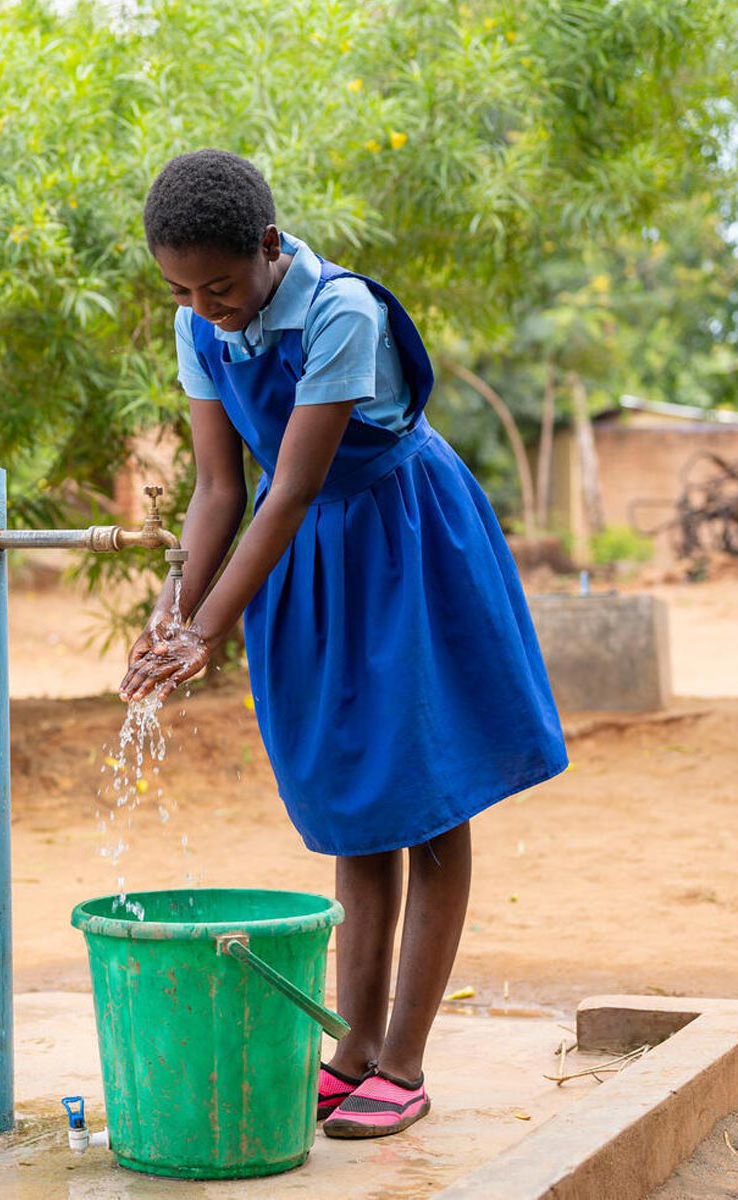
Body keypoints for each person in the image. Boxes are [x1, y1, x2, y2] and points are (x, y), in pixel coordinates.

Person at [119, 149, 568, 1139]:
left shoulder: (342, 314)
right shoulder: (198, 324)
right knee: (354, 805)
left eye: (222, 285)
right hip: (309, 565)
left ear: (270, 247)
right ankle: (353, 1049)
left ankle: (403, 1061)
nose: (206, 305)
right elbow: (218, 490)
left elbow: (294, 484)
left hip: (404, 544)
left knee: (428, 794)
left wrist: (206, 630)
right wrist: (170, 609)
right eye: (182, 289)